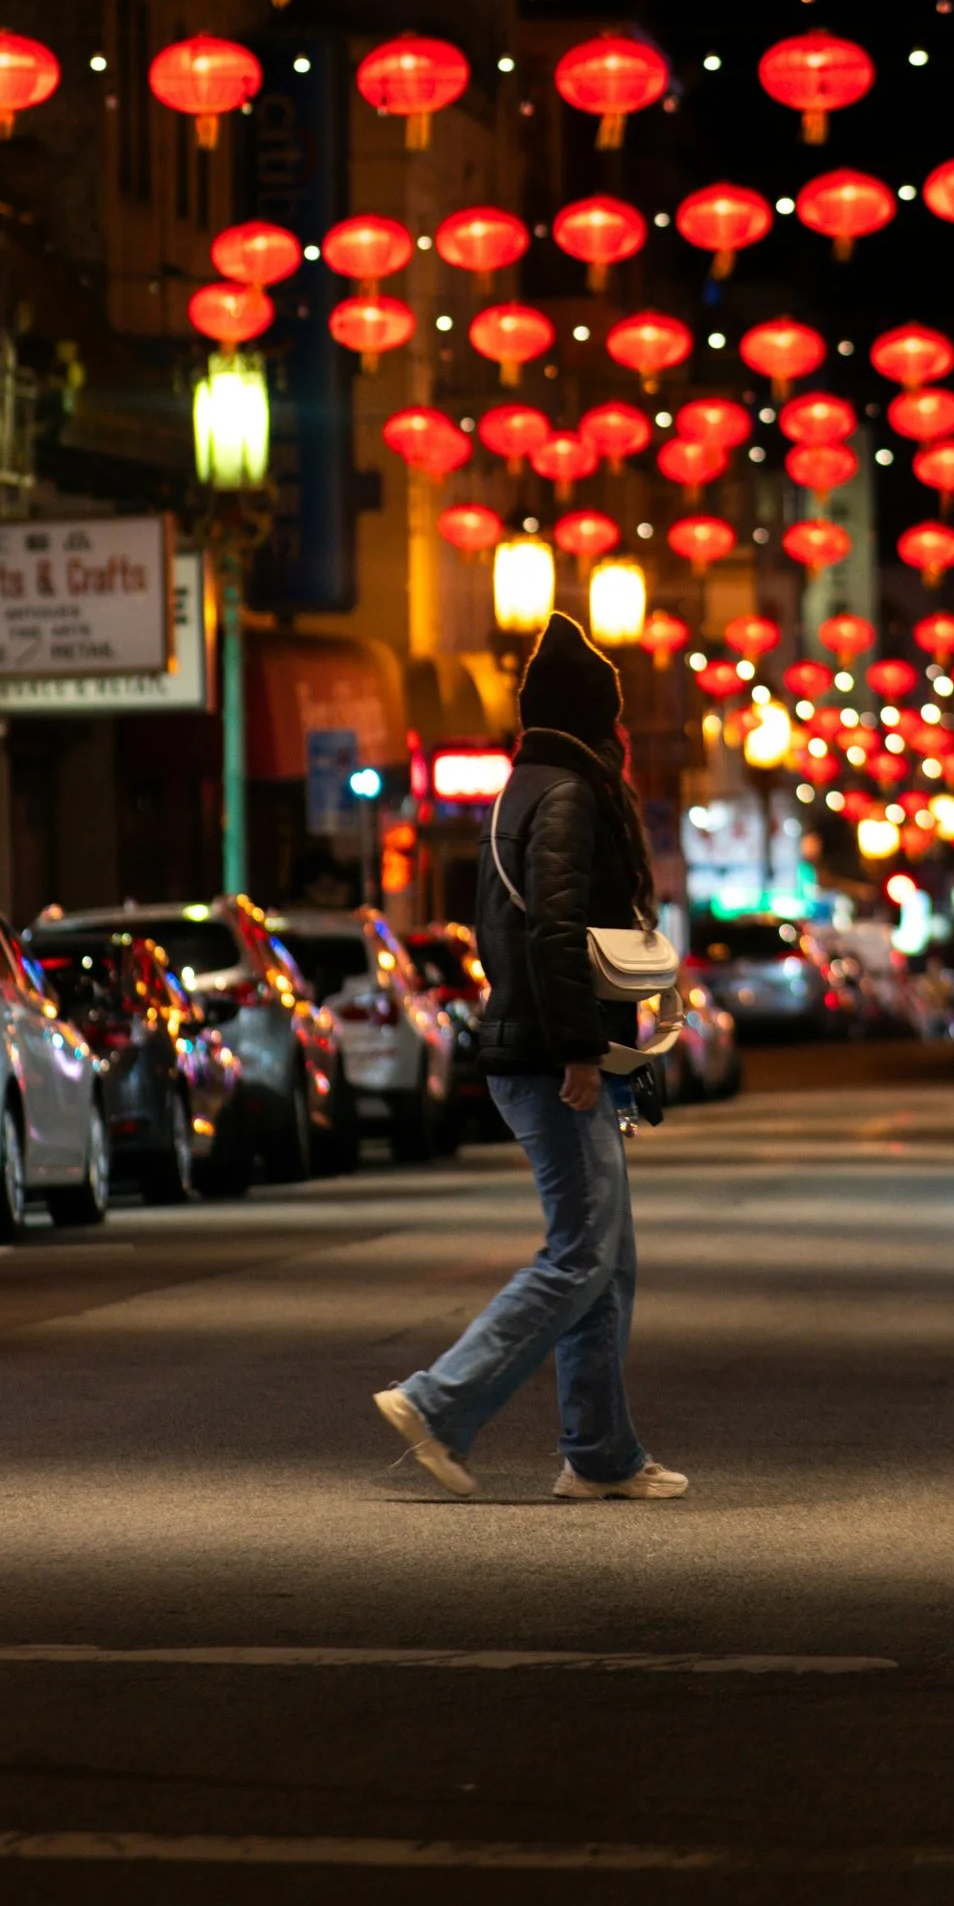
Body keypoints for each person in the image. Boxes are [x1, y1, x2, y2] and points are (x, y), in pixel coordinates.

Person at [374, 611, 686, 1502]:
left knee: (605, 1257)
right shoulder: (570, 794)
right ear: (593, 716)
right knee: (582, 1253)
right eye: (612, 714)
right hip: (554, 1056)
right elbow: (554, 925)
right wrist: (581, 1050)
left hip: (537, 1045)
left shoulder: (525, 786)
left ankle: (600, 1454)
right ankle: (439, 1402)